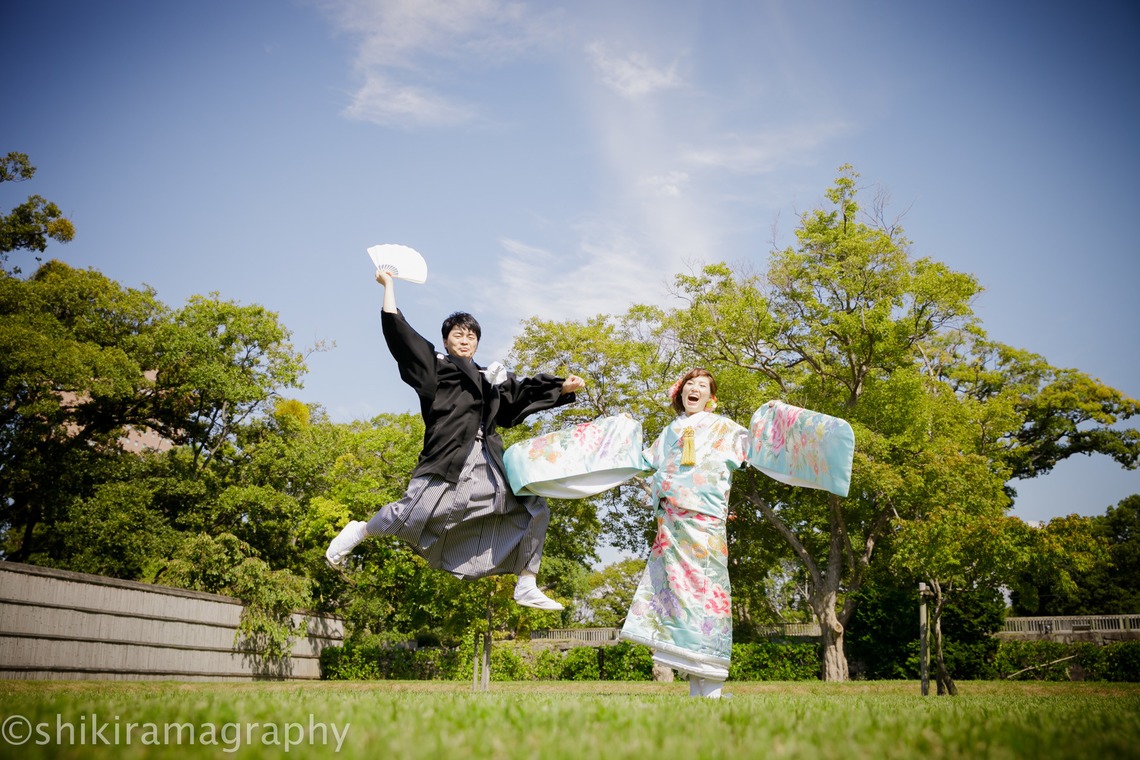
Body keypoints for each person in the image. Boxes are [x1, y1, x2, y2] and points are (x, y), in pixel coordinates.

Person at [325, 269, 585, 610]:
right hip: (448, 456)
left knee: (532, 508)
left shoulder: (489, 376)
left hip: (487, 463)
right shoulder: (436, 367)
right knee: (410, 516)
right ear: (447, 339)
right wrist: (388, 287)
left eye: (471, 336)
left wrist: (560, 388)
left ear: (478, 342)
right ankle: (360, 531)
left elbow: (519, 395)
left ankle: (526, 580)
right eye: (458, 335)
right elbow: (401, 336)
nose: (465, 340)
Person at [619, 368, 748, 698]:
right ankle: (695, 687)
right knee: (679, 598)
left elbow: (753, 447)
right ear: (681, 394)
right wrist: (618, 437)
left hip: (704, 522)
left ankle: (714, 685)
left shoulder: (725, 428)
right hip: (671, 526)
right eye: (690, 384)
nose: (695, 388)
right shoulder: (670, 431)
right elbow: (644, 460)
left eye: (702, 386)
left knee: (709, 594)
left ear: (711, 398)